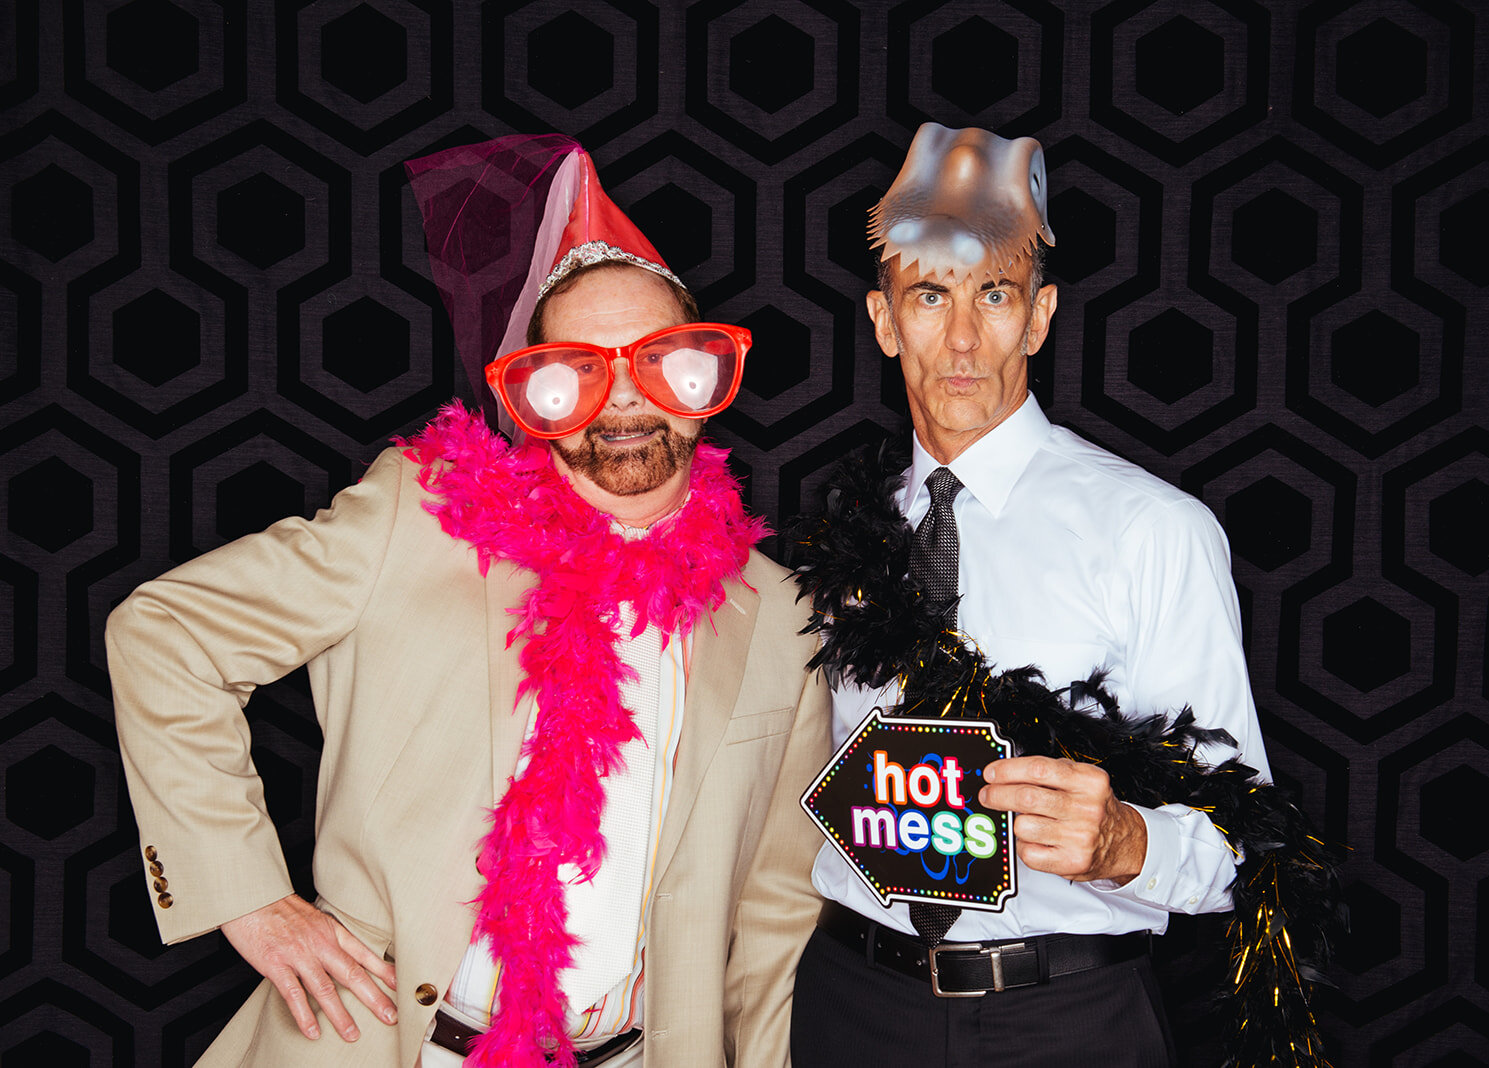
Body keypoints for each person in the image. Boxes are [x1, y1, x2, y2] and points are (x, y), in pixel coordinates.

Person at [108, 135, 828, 1068]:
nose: (624, 400)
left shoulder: (780, 615)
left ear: (702, 381)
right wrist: (245, 894)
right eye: (581, 369)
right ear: (536, 393)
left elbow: (775, 917)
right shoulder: (422, 514)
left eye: (657, 362)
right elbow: (166, 634)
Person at [787, 123, 1275, 1067]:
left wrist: (1127, 842)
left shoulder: (1153, 532)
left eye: (994, 295)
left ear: (1040, 316)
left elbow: (1242, 843)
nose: (963, 337)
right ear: (886, 322)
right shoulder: (841, 535)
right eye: (929, 295)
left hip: (1061, 1018)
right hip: (850, 1001)